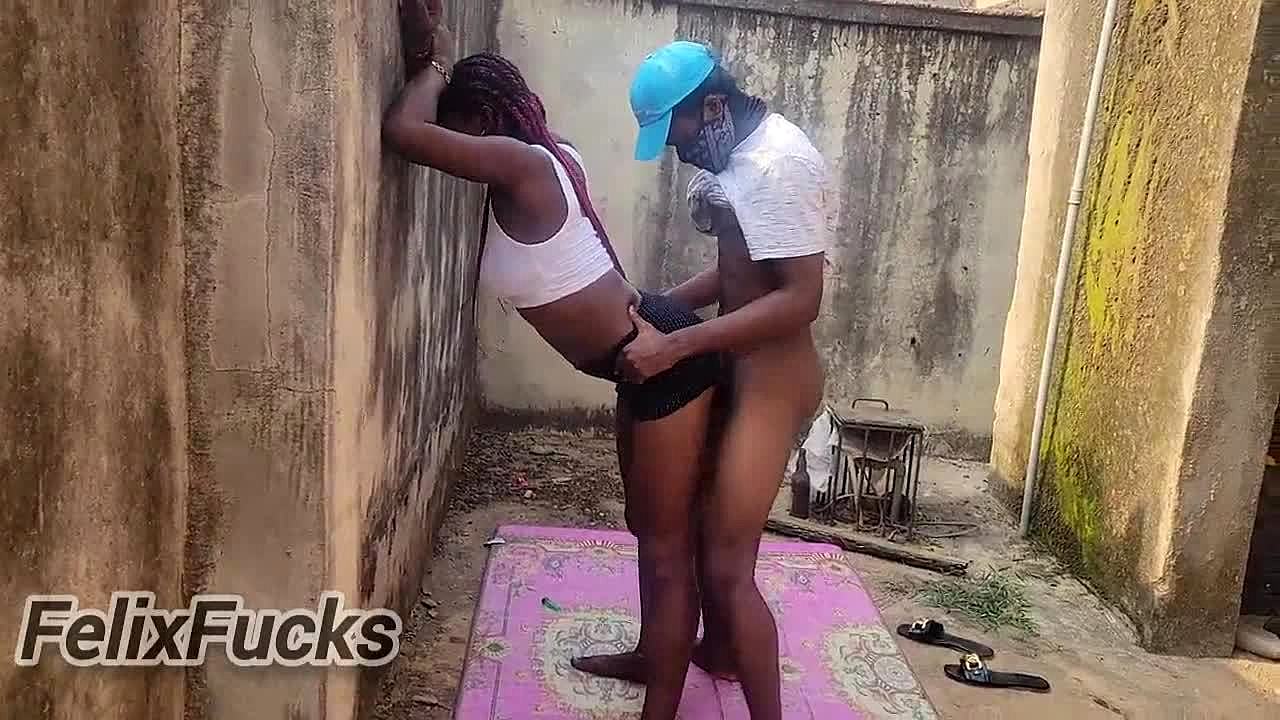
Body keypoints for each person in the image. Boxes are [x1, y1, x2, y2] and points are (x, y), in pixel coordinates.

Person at [382, 6, 719, 719]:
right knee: (646, 525)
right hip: (637, 357)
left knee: (666, 543)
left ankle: (661, 707)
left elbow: (404, 134)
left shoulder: (523, 163)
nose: (454, 144)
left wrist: (432, 66)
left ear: (481, 121)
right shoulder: (549, 152)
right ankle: (650, 654)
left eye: (458, 127)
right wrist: (436, 50)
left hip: (665, 360)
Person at [573, 41, 830, 720]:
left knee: (725, 566)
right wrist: (657, 304)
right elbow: (737, 271)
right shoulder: (736, 160)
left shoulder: (780, 163)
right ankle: (682, 652)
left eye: (678, 134)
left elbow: (801, 298)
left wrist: (678, 344)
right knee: (675, 527)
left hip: (774, 378)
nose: (678, 152)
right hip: (734, 360)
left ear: (713, 107)